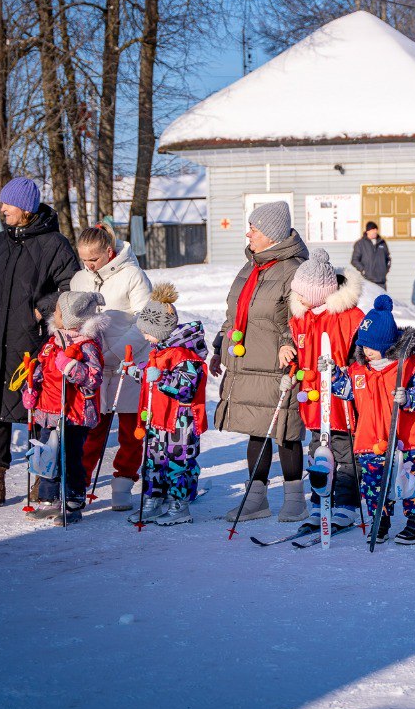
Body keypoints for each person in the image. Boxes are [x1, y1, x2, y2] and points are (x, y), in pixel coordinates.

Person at [0, 177, 78, 508]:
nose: (2, 209)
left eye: (7, 204)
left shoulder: (55, 244)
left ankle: (40, 478)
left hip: (31, 342)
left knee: (34, 412)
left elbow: (71, 286)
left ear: (25, 209)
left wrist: (42, 311)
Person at [211, 201, 309, 523]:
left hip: (280, 365)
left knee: (286, 431)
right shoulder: (252, 266)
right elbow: (234, 313)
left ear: (271, 234)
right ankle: (256, 499)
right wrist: (218, 347)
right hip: (248, 362)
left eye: (254, 228)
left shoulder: (294, 269)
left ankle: (295, 499)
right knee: (257, 431)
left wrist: (288, 345)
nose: (248, 233)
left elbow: (301, 319)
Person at [332, 295, 415, 546]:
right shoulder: (359, 370)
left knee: (414, 481)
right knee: (374, 483)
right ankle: (381, 521)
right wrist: (332, 374)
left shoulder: (409, 366)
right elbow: (347, 391)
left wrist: (410, 397)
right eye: (363, 345)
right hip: (371, 436)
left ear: (387, 344)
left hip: (409, 437)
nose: (366, 351)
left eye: (371, 346)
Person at [71, 224, 152, 511]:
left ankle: (124, 482)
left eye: (93, 259)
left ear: (108, 252)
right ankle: (78, 485)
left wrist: (117, 352)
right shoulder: (80, 278)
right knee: (92, 428)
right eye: (84, 260)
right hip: (93, 366)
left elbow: (147, 319)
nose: (89, 265)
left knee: (131, 430)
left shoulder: (132, 275)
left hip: (127, 363)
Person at [288, 249, 365, 533]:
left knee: (344, 455)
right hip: (313, 401)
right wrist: (290, 357)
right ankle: (320, 503)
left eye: (303, 293)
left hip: (341, 402)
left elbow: (363, 357)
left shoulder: (350, 317)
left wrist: (344, 372)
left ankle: (345, 506)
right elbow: (299, 352)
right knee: (317, 454)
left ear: (321, 292)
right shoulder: (301, 319)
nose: (298, 298)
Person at [22, 291, 106, 526]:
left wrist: (70, 366)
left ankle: (72, 501)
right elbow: (39, 369)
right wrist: (31, 389)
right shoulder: (52, 342)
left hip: (74, 413)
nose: (54, 314)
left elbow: (93, 378)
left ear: (72, 317)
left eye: (58, 312)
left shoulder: (87, 345)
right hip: (49, 411)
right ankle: (49, 500)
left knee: (69, 457)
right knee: (47, 456)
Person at [128, 284, 208, 527]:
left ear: (162, 330)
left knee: (178, 462)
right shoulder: (159, 350)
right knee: (153, 462)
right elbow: (153, 374)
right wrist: (138, 372)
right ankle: (153, 499)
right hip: (157, 419)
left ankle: (179, 504)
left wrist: (160, 378)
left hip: (179, 421)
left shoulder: (185, 354)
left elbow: (185, 387)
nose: (144, 336)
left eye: (147, 332)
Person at [351, 221, 391, 289]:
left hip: (381, 281)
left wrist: (385, 270)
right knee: (370, 300)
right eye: (373, 229)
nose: (375, 231)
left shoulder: (382, 243)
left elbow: (388, 258)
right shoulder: (360, 244)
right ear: (368, 231)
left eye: (376, 229)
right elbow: (354, 260)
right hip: (368, 281)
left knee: (382, 299)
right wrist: (364, 270)